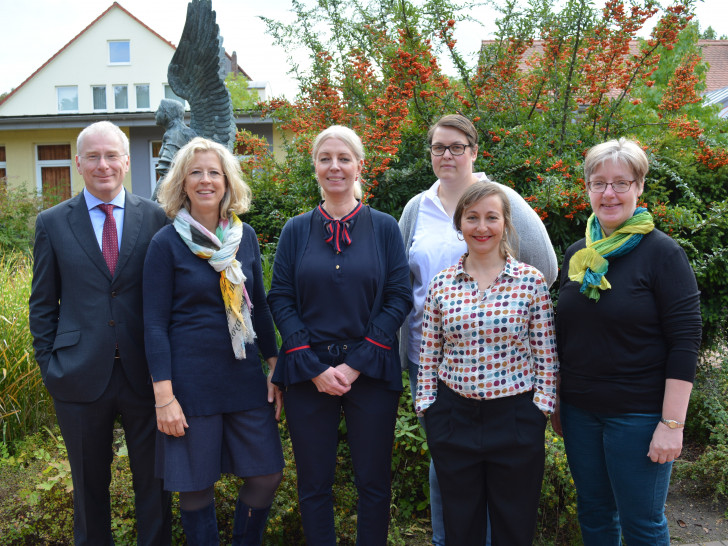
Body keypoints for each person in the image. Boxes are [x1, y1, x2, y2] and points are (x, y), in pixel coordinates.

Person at [398, 113, 557, 545]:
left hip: (514, 397)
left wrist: (540, 407)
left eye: (457, 147)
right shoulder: (418, 209)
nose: (447, 155)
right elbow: (402, 283)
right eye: (438, 147)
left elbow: (545, 344)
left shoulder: (505, 204)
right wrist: (427, 402)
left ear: (473, 150)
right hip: (443, 383)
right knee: (453, 493)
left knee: (511, 510)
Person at [552, 138, 702, 545]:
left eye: (621, 183)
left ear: (639, 187)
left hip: (638, 416)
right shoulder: (579, 254)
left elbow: (685, 341)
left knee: (642, 524)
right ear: (587, 189)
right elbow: (567, 333)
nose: (609, 193)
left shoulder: (663, 255)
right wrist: (559, 398)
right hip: (580, 412)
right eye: (599, 183)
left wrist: (672, 424)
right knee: (595, 514)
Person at [267, 125, 413, 544]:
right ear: (314, 166)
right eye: (325, 158)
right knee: (313, 486)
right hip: (308, 372)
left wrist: (355, 364)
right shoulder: (296, 230)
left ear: (359, 166)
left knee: (373, 484)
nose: (335, 166)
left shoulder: (385, 228)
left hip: (369, 371)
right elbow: (280, 298)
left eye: (344, 158)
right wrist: (313, 368)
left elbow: (399, 297)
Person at [28, 121, 171, 545]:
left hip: (145, 375)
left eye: (112, 155)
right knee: (89, 490)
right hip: (77, 375)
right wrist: (50, 367)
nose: (103, 164)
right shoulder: (52, 223)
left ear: (127, 161)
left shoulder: (156, 218)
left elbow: (167, 298)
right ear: (78, 163)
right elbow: (41, 304)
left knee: (156, 485)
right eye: (93, 156)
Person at [143, 137, 284, 545]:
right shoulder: (165, 244)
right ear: (182, 183)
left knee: (266, 473)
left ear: (227, 181)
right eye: (196, 172)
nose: (206, 180)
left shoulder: (246, 237)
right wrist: (164, 398)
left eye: (214, 172)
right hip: (189, 385)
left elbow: (260, 304)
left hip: (243, 377)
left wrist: (275, 365)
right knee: (196, 485)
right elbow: (154, 325)